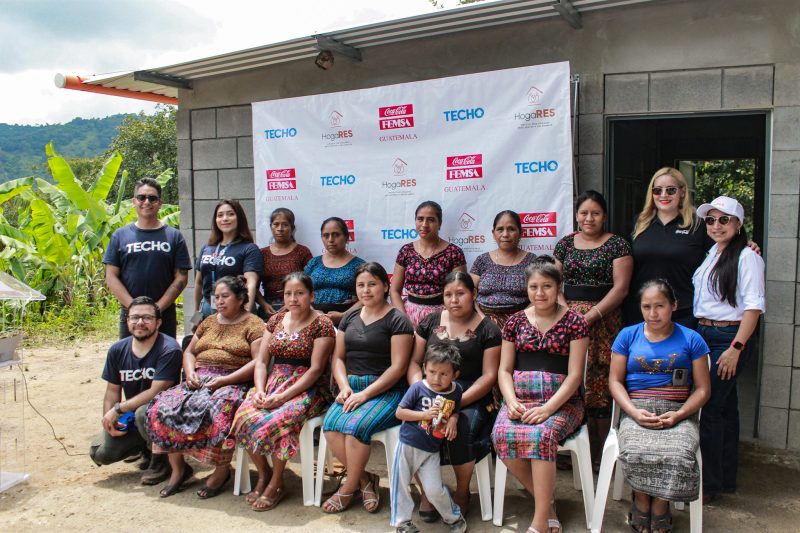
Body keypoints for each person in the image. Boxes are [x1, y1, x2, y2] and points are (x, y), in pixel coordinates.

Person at [491, 256, 589, 533]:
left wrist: (548, 409)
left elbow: (574, 376)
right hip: (520, 401)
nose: (540, 293)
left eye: (547, 286)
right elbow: (504, 370)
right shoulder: (514, 322)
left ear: (558, 287)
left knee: (542, 435)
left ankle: (540, 522)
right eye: (534, 287)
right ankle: (548, 505)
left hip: (562, 404)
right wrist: (511, 401)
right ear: (526, 289)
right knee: (501, 435)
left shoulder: (575, 323)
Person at [145, 275, 264, 499]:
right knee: (162, 406)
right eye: (216, 297)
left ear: (240, 298)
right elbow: (189, 351)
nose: (219, 301)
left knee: (218, 411)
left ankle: (221, 471)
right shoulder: (208, 321)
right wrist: (190, 373)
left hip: (233, 380)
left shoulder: (254, 324)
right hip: (199, 379)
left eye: (225, 296)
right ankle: (179, 471)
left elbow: (258, 362)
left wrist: (225, 381)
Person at [609, 279, 711, 533]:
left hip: (678, 410)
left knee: (679, 452)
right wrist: (632, 412)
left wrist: (679, 415)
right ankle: (641, 499)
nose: (653, 313)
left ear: (673, 306)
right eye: (646, 307)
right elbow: (615, 381)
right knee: (634, 449)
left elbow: (702, 389)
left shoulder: (692, 339)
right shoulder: (627, 336)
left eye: (660, 306)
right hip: (637, 409)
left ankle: (660, 505)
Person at [230, 272, 335, 511]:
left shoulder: (322, 324)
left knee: (281, 419)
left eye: (300, 293)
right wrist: (259, 389)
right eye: (288, 293)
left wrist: (284, 397)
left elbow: (316, 369)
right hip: (272, 383)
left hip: (307, 388)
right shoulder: (276, 320)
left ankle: (277, 483)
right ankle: (265, 473)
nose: (293, 298)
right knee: (244, 416)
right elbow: (261, 362)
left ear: (311, 296)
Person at [321, 262, 414, 514]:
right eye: (361, 285)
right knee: (330, 428)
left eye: (372, 284)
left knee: (355, 429)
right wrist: (344, 386)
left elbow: (398, 367)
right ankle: (365, 480)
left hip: (386, 390)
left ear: (385, 286)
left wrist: (365, 394)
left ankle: (347, 489)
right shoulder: (349, 317)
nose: (366, 290)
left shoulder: (398, 319)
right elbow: (338, 358)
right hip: (351, 388)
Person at [408, 271, 501, 516]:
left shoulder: (488, 329)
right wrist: (420, 389)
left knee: (460, 433)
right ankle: (428, 491)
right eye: (448, 294)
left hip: (470, 395)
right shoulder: (430, 321)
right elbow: (414, 363)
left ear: (474, 294)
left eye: (460, 294)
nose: (454, 300)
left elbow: (489, 376)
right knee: (412, 430)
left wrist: (453, 404)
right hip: (430, 390)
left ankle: (462, 491)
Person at [692, 196, 764, 503]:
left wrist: (736, 347)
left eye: (724, 220)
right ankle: (725, 477)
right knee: (725, 409)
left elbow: (754, 307)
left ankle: (710, 484)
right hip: (705, 332)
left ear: (738, 224)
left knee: (709, 407)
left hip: (728, 337)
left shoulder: (748, 257)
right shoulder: (713, 252)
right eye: (711, 220)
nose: (716, 226)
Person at [553, 190, 632, 466]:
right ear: (576, 216)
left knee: (599, 383)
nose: (589, 218)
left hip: (604, 322)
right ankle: (569, 449)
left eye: (595, 213)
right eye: (584, 213)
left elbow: (621, 289)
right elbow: (555, 283)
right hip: (568, 323)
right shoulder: (564, 244)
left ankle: (599, 455)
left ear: (605, 216)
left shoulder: (617, 245)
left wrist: (591, 316)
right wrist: (566, 312)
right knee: (570, 379)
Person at [89, 296, 182, 486]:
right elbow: (112, 390)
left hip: (165, 415)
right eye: (134, 317)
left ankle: (161, 461)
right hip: (131, 414)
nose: (140, 322)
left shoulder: (169, 349)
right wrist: (110, 421)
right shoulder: (117, 350)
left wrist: (118, 409)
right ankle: (144, 446)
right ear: (127, 321)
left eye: (147, 318)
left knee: (144, 412)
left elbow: (156, 391)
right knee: (99, 454)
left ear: (158, 322)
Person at [391, 344, 468, 533]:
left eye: (444, 374)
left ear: (455, 375)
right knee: (400, 484)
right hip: (408, 445)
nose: (436, 378)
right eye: (432, 371)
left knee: (434, 489)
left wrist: (453, 420)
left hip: (432, 450)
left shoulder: (456, 391)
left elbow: (455, 409)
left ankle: (453, 517)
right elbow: (400, 413)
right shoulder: (418, 388)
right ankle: (402, 523)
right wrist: (423, 415)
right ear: (425, 367)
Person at [104, 177, 192, 338]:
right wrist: (134, 308)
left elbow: (181, 278)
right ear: (133, 201)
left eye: (152, 198)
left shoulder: (174, 236)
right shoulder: (120, 236)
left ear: (160, 203)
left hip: (164, 314)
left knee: (166, 359)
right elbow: (111, 276)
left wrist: (157, 309)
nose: (146, 202)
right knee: (130, 360)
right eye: (141, 197)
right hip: (130, 315)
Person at [624, 167, 710, 329]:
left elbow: (723, 250)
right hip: (642, 312)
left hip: (683, 313)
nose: (664, 195)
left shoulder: (698, 224)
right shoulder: (639, 223)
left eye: (671, 190)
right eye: (658, 190)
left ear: (682, 192)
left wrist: (745, 246)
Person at [390, 200, 467, 326]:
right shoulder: (406, 251)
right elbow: (394, 291)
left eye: (431, 220)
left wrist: (445, 319)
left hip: (443, 315)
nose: (424, 224)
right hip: (408, 315)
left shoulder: (454, 252)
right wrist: (404, 319)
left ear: (439, 223)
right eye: (420, 219)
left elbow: (459, 292)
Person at [192, 199, 262, 320]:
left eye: (230, 214)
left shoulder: (249, 249)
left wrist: (244, 316)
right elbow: (199, 283)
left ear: (239, 218)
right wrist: (196, 316)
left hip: (236, 310)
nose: (225, 218)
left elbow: (251, 284)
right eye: (220, 215)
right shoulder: (207, 248)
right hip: (208, 308)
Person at [470, 210, 537, 330]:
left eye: (511, 229)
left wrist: (519, 320)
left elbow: (538, 296)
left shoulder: (532, 261)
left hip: (521, 323)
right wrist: (482, 319)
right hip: (482, 321)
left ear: (520, 232)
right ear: (493, 233)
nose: (505, 234)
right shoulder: (482, 260)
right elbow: (469, 293)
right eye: (500, 229)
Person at [305, 216, 365, 325]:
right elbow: (301, 290)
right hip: (313, 320)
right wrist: (312, 312)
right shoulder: (314, 263)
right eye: (326, 235)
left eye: (336, 235)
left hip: (350, 321)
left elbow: (366, 297)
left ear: (347, 237)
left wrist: (344, 316)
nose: (330, 240)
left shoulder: (360, 265)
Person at [257, 207, 312, 316]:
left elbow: (311, 284)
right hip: (268, 309)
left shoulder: (302, 252)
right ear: (270, 227)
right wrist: (263, 304)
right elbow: (253, 285)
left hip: (296, 306)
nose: (280, 229)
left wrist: (290, 304)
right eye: (276, 224)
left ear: (292, 228)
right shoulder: (262, 253)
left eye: (285, 225)